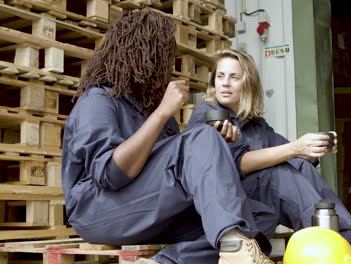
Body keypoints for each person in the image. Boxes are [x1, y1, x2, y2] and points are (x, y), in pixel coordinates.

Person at [61, 10, 276, 264]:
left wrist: (215, 143)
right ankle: (235, 250)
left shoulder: (150, 105)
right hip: (98, 212)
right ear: (137, 53)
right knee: (203, 143)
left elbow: (173, 164)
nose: (167, 63)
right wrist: (164, 112)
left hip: (148, 208)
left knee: (257, 216)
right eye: (161, 54)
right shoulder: (98, 101)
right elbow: (111, 174)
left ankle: (166, 262)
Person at [186, 49, 351, 264]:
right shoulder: (208, 114)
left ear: (248, 84)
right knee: (278, 173)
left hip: (252, 198)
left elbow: (291, 153)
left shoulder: (256, 124)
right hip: (219, 202)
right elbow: (240, 164)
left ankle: (349, 244)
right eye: (220, 76)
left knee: (298, 165)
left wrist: (314, 149)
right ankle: (344, 243)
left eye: (234, 77)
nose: (225, 83)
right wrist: (296, 148)